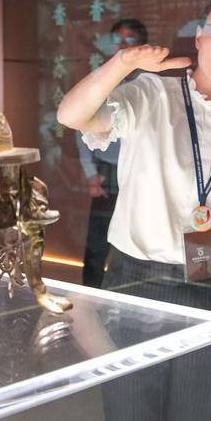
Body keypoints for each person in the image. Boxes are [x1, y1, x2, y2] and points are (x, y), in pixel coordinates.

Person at [57, 0, 211, 421]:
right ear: (199, 37)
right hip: (137, 287)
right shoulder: (152, 95)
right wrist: (124, 63)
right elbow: (72, 114)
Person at [77, 18, 148, 288]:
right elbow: (81, 128)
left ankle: (129, 296)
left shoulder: (153, 84)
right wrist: (90, 173)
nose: (122, 45)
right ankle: (91, 295)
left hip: (143, 174)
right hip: (108, 172)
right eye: (117, 39)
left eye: (130, 40)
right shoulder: (102, 80)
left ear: (142, 45)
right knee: (98, 240)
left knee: (137, 239)